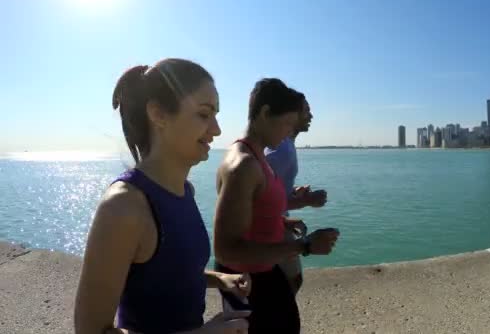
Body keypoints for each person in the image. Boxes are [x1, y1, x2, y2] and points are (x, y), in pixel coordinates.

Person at [74, 58, 250, 334]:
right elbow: (91, 330)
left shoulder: (185, 191)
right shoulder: (124, 206)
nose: (216, 129)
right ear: (158, 114)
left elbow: (168, 275)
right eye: (204, 114)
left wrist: (220, 279)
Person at [213, 78, 340, 333]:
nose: (287, 132)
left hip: (264, 270)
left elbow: (253, 211)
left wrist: (282, 220)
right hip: (249, 279)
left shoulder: (257, 156)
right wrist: (304, 245)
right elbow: (226, 250)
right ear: (265, 113)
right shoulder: (244, 164)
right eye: (286, 124)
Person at [264, 91, 327, 295]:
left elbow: (272, 189)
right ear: (291, 115)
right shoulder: (281, 151)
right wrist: (306, 201)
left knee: (289, 282)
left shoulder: (284, 146)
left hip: (278, 224)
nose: (311, 116)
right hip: (271, 228)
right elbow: (261, 198)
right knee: (288, 284)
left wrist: (293, 193)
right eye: (306, 111)